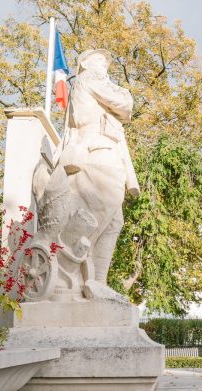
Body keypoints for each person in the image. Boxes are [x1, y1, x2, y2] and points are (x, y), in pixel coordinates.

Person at [62, 49, 140, 285]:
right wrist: (124, 94)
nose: (104, 63)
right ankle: (69, 267)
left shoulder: (98, 83)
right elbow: (125, 105)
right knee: (100, 211)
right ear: (84, 63)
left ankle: (96, 282)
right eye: (98, 59)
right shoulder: (89, 79)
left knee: (114, 222)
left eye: (106, 60)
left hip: (108, 149)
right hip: (97, 150)